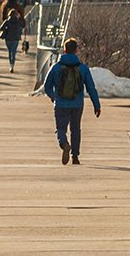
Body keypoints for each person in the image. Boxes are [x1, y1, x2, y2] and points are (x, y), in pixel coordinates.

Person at [41, 37, 100, 165]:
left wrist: (54, 96)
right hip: (77, 104)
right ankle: (75, 156)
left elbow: (47, 86)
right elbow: (91, 88)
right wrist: (97, 105)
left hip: (61, 103)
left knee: (61, 128)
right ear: (76, 51)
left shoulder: (56, 67)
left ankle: (64, 144)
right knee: (75, 129)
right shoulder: (83, 68)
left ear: (65, 50)